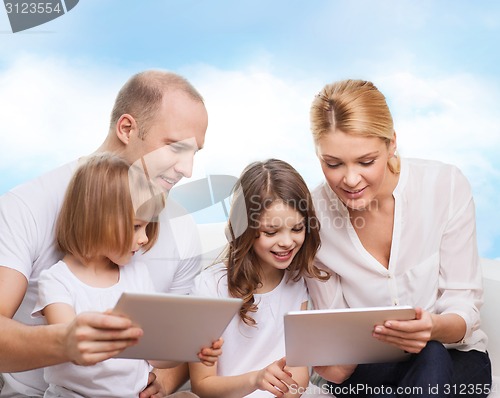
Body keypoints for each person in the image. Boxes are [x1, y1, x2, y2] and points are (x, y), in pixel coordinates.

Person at [0, 70, 210, 397]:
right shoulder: (26, 206)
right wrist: (65, 341)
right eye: (175, 148)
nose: (188, 170)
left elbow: (173, 341)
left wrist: (164, 383)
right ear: (127, 128)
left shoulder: (182, 228)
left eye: (194, 152)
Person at [306, 79, 492, 397]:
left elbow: (464, 305)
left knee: (430, 353)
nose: (350, 180)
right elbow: (334, 334)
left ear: (392, 143)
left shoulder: (444, 186)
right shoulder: (313, 215)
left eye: (366, 161)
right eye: (332, 164)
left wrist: (432, 327)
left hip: (454, 357)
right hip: (371, 368)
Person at [31, 152, 221, 397]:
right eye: (135, 227)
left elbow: (156, 357)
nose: (143, 239)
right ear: (96, 219)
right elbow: (73, 350)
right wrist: (119, 335)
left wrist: (191, 350)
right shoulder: (56, 281)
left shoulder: (137, 275)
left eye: (146, 227)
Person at [189, 159, 330, 398]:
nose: (286, 242)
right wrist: (256, 379)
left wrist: (289, 391)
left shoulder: (297, 282)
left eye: (297, 229)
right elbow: (202, 384)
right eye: (271, 232)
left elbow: (299, 374)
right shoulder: (210, 287)